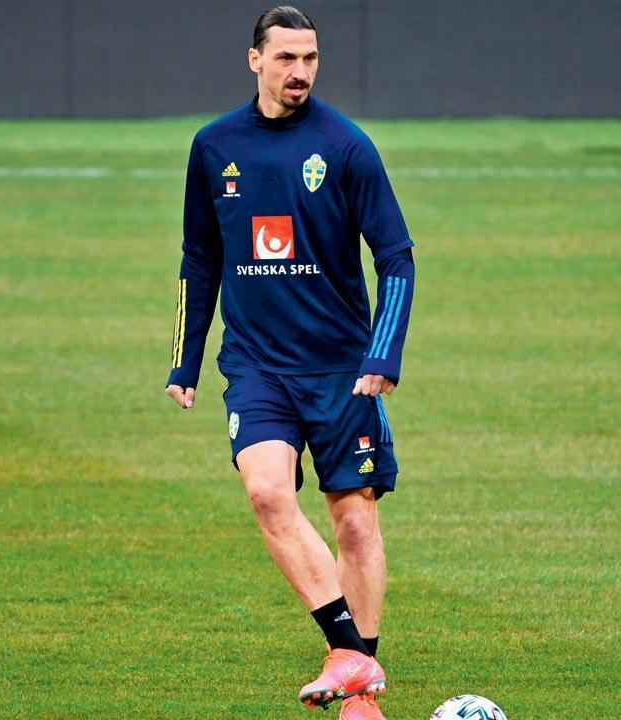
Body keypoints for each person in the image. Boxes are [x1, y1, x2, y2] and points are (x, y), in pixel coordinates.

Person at [165, 6, 415, 719]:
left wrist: (383, 351)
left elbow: (395, 257)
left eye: (310, 58)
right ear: (255, 61)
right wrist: (186, 360)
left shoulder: (346, 146)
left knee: (355, 524)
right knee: (269, 493)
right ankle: (348, 653)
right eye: (286, 59)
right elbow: (200, 257)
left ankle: (358, 689)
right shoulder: (215, 146)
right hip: (257, 366)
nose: (300, 72)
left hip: (342, 368)